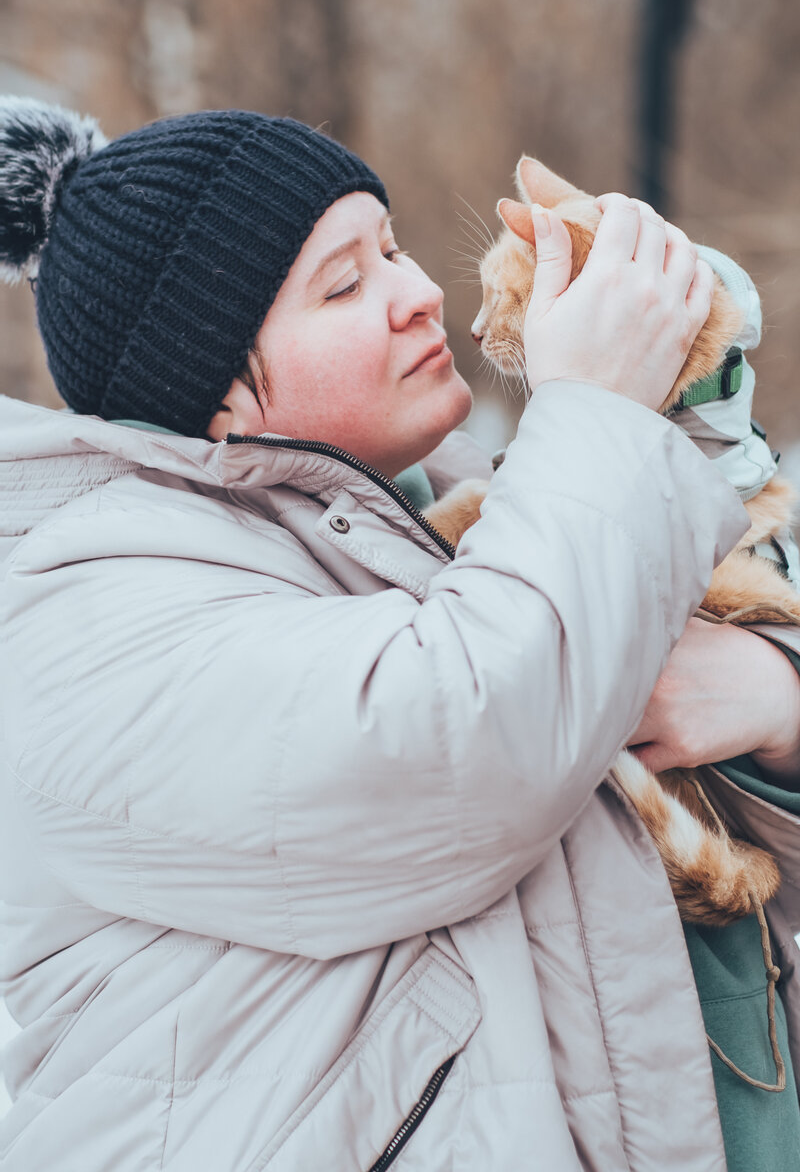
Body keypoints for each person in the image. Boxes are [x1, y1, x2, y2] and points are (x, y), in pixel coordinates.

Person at [1, 99, 800, 1172]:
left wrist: (777, 700)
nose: (421, 293)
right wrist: (600, 408)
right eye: (346, 283)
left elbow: (670, 812)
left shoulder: (464, 516)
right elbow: (464, 751)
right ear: (210, 393)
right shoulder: (78, 621)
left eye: (393, 247)